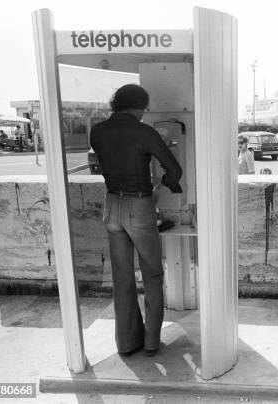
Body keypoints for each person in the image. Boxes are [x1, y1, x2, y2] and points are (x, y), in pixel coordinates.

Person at [90, 84, 183, 357]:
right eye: (144, 108)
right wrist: (162, 186)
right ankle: (152, 342)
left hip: (111, 204)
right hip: (139, 205)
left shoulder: (98, 131)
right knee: (152, 273)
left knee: (122, 277)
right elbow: (174, 170)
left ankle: (128, 343)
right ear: (139, 106)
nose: (144, 113)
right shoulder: (143, 131)